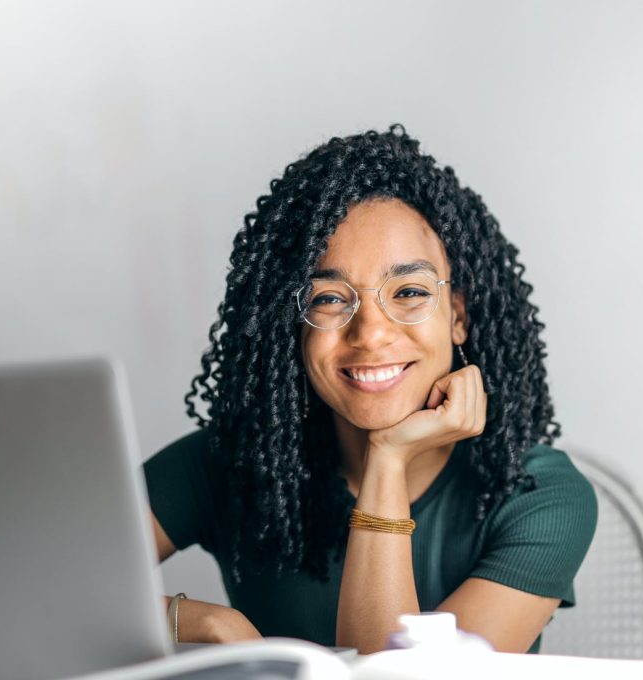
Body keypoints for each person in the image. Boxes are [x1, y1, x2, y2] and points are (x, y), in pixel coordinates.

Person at [143, 125, 597, 655]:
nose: (372, 333)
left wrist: (388, 458)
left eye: (408, 291)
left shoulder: (538, 494)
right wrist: (207, 624)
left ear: (458, 315)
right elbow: (38, 582)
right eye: (330, 299)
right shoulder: (230, 462)